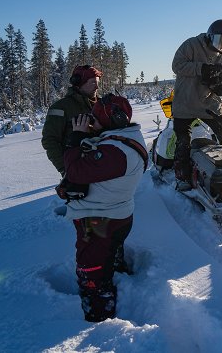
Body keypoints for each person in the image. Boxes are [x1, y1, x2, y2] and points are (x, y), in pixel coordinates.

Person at [62, 94, 147, 322]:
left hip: (99, 223)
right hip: (115, 216)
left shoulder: (116, 152)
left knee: (91, 274)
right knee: (109, 259)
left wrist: (76, 138)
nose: (92, 123)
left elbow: (75, 171)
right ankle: (113, 276)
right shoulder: (126, 138)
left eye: (96, 119)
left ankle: (99, 320)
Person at [171, 19, 222, 190]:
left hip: (209, 105)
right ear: (209, 36)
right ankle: (182, 176)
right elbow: (177, 65)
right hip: (185, 103)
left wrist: (220, 86)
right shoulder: (192, 44)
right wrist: (201, 69)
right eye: (219, 40)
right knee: (183, 141)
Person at [42, 65, 103, 176]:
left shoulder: (102, 105)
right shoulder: (61, 107)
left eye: (98, 83)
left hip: (104, 164)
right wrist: (65, 168)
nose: (97, 87)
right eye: (93, 83)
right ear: (79, 83)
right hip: (78, 168)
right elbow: (50, 140)